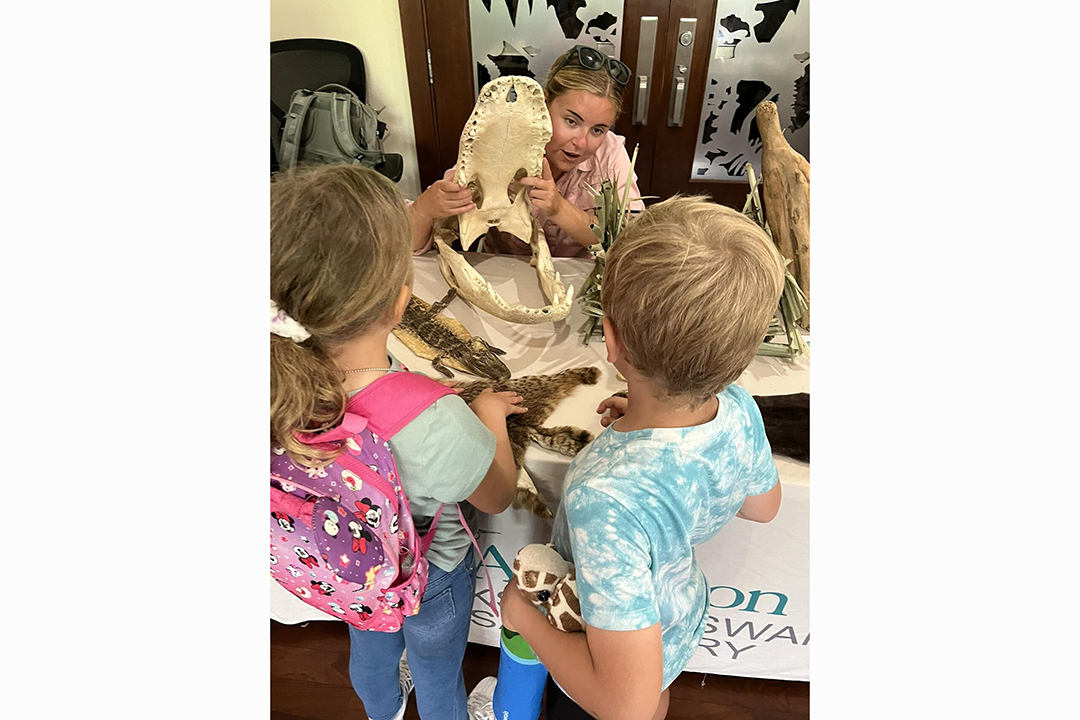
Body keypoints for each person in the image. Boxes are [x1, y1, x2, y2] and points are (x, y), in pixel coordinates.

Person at [492, 197, 788, 720]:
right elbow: (763, 506)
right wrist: (647, 414)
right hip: (672, 625)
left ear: (611, 338)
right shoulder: (739, 407)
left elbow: (620, 703)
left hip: (597, 648)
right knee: (654, 697)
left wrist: (525, 618)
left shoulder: (604, 499)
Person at [270, 164, 527, 720]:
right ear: (399, 304)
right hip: (429, 577)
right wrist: (487, 414)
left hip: (349, 572)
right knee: (437, 670)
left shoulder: (271, 390)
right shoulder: (435, 422)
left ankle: (382, 711)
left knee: (370, 649)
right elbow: (498, 495)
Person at [411, 45, 646, 258]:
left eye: (597, 130)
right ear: (542, 105)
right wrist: (426, 208)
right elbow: (411, 246)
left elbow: (629, 244)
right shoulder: (499, 143)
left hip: (576, 282)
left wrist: (558, 208)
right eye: (571, 121)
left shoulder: (610, 154)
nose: (582, 143)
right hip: (505, 275)